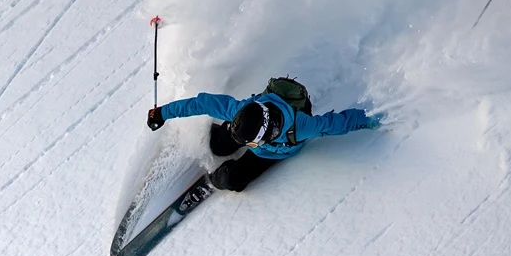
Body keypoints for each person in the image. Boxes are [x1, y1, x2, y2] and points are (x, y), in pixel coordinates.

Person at [145, 86, 380, 191]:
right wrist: (163, 113)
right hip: (250, 129)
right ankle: (219, 146)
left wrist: (375, 118)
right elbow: (202, 103)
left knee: (233, 181)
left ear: (266, 136)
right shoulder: (241, 109)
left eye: (252, 143)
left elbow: (340, 123)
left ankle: (215, 177)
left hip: (272, 154)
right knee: (219, 144)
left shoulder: (302, 127)